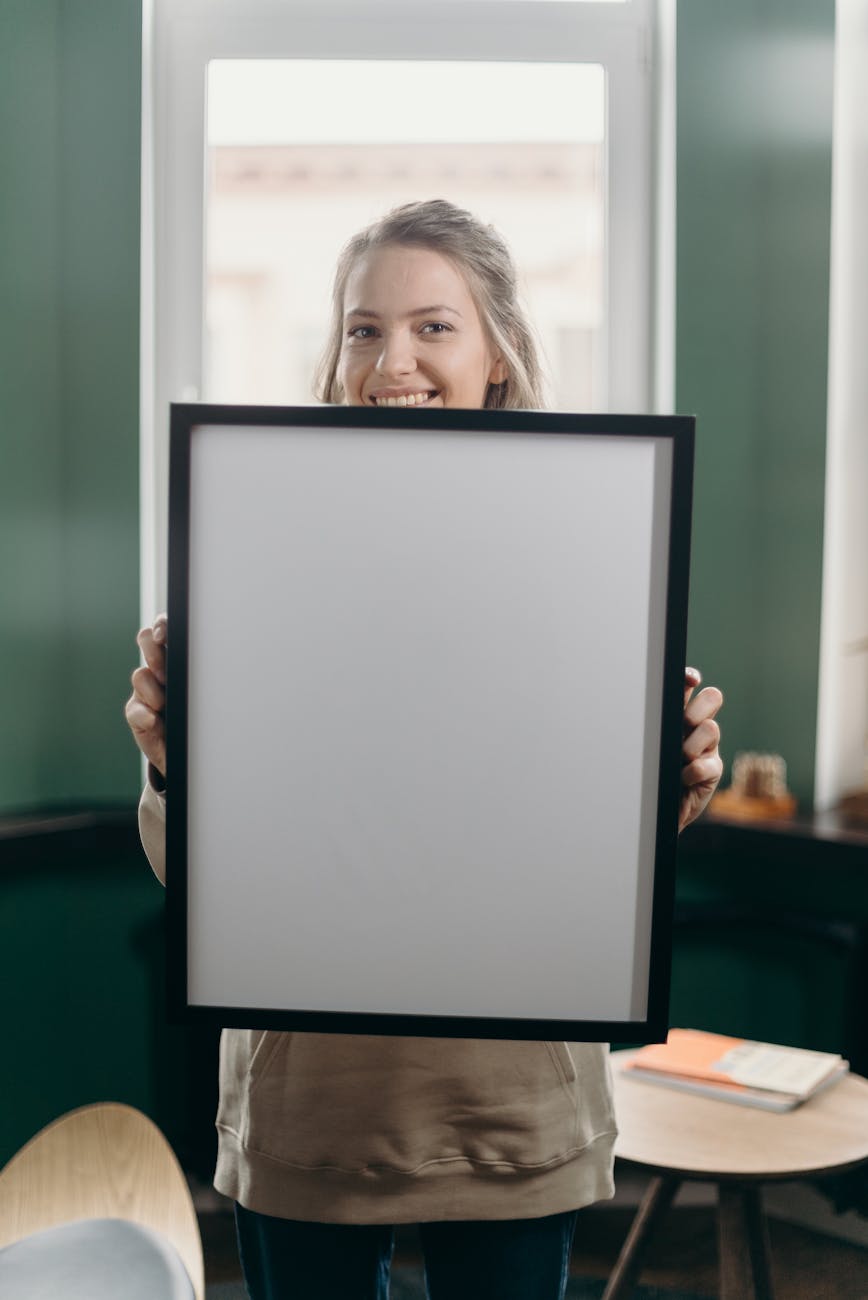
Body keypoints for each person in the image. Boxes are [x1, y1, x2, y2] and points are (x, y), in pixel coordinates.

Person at [126, 199, 724, 1300]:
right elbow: (196, 874)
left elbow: (585, 852)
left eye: (432, 326)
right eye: (362, 328)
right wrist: (172, 764)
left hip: (510, 1104)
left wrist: (670, 784)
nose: (390, 358)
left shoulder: (590, 551)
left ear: (496, 352)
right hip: (310, 1100)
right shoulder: (253, 552)